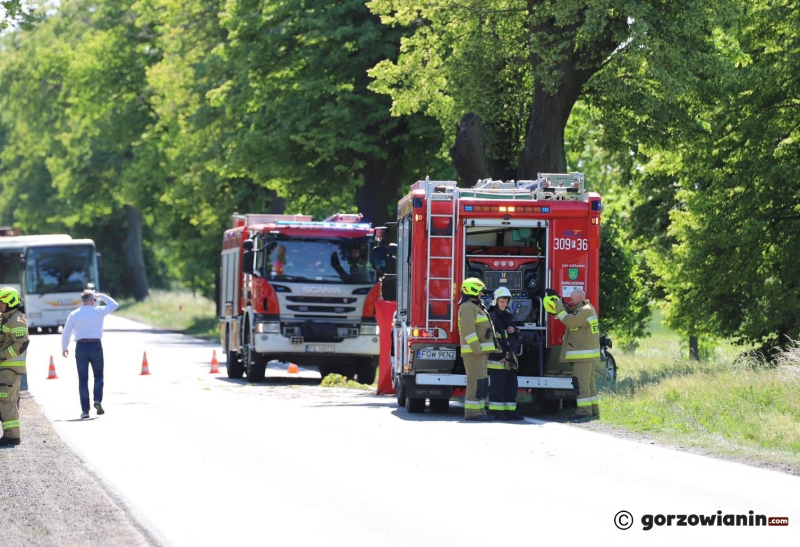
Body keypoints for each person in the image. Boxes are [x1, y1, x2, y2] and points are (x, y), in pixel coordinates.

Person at [544, 288, 600, 421]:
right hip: (587, 355)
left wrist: (559, 308)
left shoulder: (585, 311)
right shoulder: (585, 309)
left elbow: (569, 321)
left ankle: (584, 411)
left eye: (573, 298)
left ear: (579, 298)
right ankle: (593, 410)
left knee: (581, 384)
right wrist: (560, 301)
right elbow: (572, 314)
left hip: (583, 356)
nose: (571, 300)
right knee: (588, 383)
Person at [61, 290, 119, 419]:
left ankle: (85, 411)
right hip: (96, 345)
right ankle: (97, 399)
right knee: (98, 376)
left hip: (81, 347)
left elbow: (66, 332)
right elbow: (115, 304)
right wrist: (102, 296)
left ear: (83, 300)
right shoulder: (98, 311)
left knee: (83, 380)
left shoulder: (74, 314)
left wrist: (64, 347)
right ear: (92, 300)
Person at [458, 277, 497, 421]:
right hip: (474, 352)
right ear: (473, 290)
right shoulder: (468, 307)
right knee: (474, 382)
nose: (482, 293)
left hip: (480, 352)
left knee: (481, 382)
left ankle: (480, 411)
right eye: (480, 291)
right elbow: (468, 331)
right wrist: (476, 349)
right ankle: (472, 412)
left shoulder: (475, 306)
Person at [486, 287, 524, 421]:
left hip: (509, 358)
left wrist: (515, 330)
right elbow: (491, 339)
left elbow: (511, 336)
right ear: (495, 301)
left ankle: (510, 411)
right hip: (498, 360)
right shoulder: (492, 316)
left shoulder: (507, 316)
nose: (504, 304)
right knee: (498, 387)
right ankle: (496, 412)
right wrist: (499, 356)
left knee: (511, 386)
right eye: (502, 301)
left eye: (506, 302)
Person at [0, 287, 29, 447]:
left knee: (6, 400)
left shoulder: (16, 319)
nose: (0, 306)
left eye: (2, 303)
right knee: (6, 400)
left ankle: (11, 436)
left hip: (10, 367)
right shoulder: (6, 317)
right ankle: (10, 435)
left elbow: (21, 343)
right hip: (6, 367)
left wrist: (2, 355)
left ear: (10, 302)